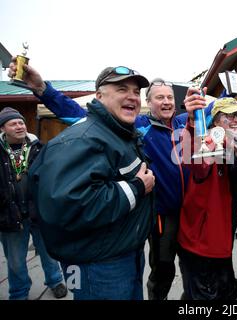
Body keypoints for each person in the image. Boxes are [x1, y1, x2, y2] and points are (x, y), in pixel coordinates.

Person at [7, 59, 202, 300]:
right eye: (159, 97)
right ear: (149, 103)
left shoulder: (187, 123)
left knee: (193, 265)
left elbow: (218, 124)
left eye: (170, 97)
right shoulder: (137, 126)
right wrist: (43, 90)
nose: (166, 102)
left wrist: (222, 95)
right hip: (160, 215)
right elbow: (79, 116)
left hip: (190, 213)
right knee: (163, 268)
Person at [27, 66, 156, 300]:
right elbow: (69, 206)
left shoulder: (121, 132)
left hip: (125, 254)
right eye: (121, 89)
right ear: (99, 96)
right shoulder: (82, 138)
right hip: (99, 266)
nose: (132, 96)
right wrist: (137, 187)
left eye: (136, 92)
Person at [177, 97, 237, 300]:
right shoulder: (209, 142)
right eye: (228, 116)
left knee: (227, 293)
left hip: (222, 243)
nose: (235, 120)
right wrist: (192, 120)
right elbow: (197, 160)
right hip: (199, 245)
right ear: (215, 122)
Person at [0, 107, 67, 300]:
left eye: (21, 122)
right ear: (3, 128)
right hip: (10, 213)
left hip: (39, 212)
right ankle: (19, 292)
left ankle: (55, 281)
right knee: (15, 260)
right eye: (13, 123)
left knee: (48, 252)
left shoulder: (39, 147)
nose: (19, 126)